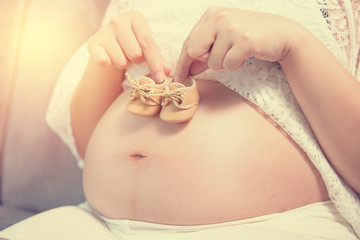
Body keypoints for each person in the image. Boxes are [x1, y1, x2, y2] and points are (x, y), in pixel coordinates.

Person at [1, 0, 359, 239]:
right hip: (99, 222)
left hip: (267, 226)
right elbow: (85, 144)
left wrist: (293, 43)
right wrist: (104, 62)